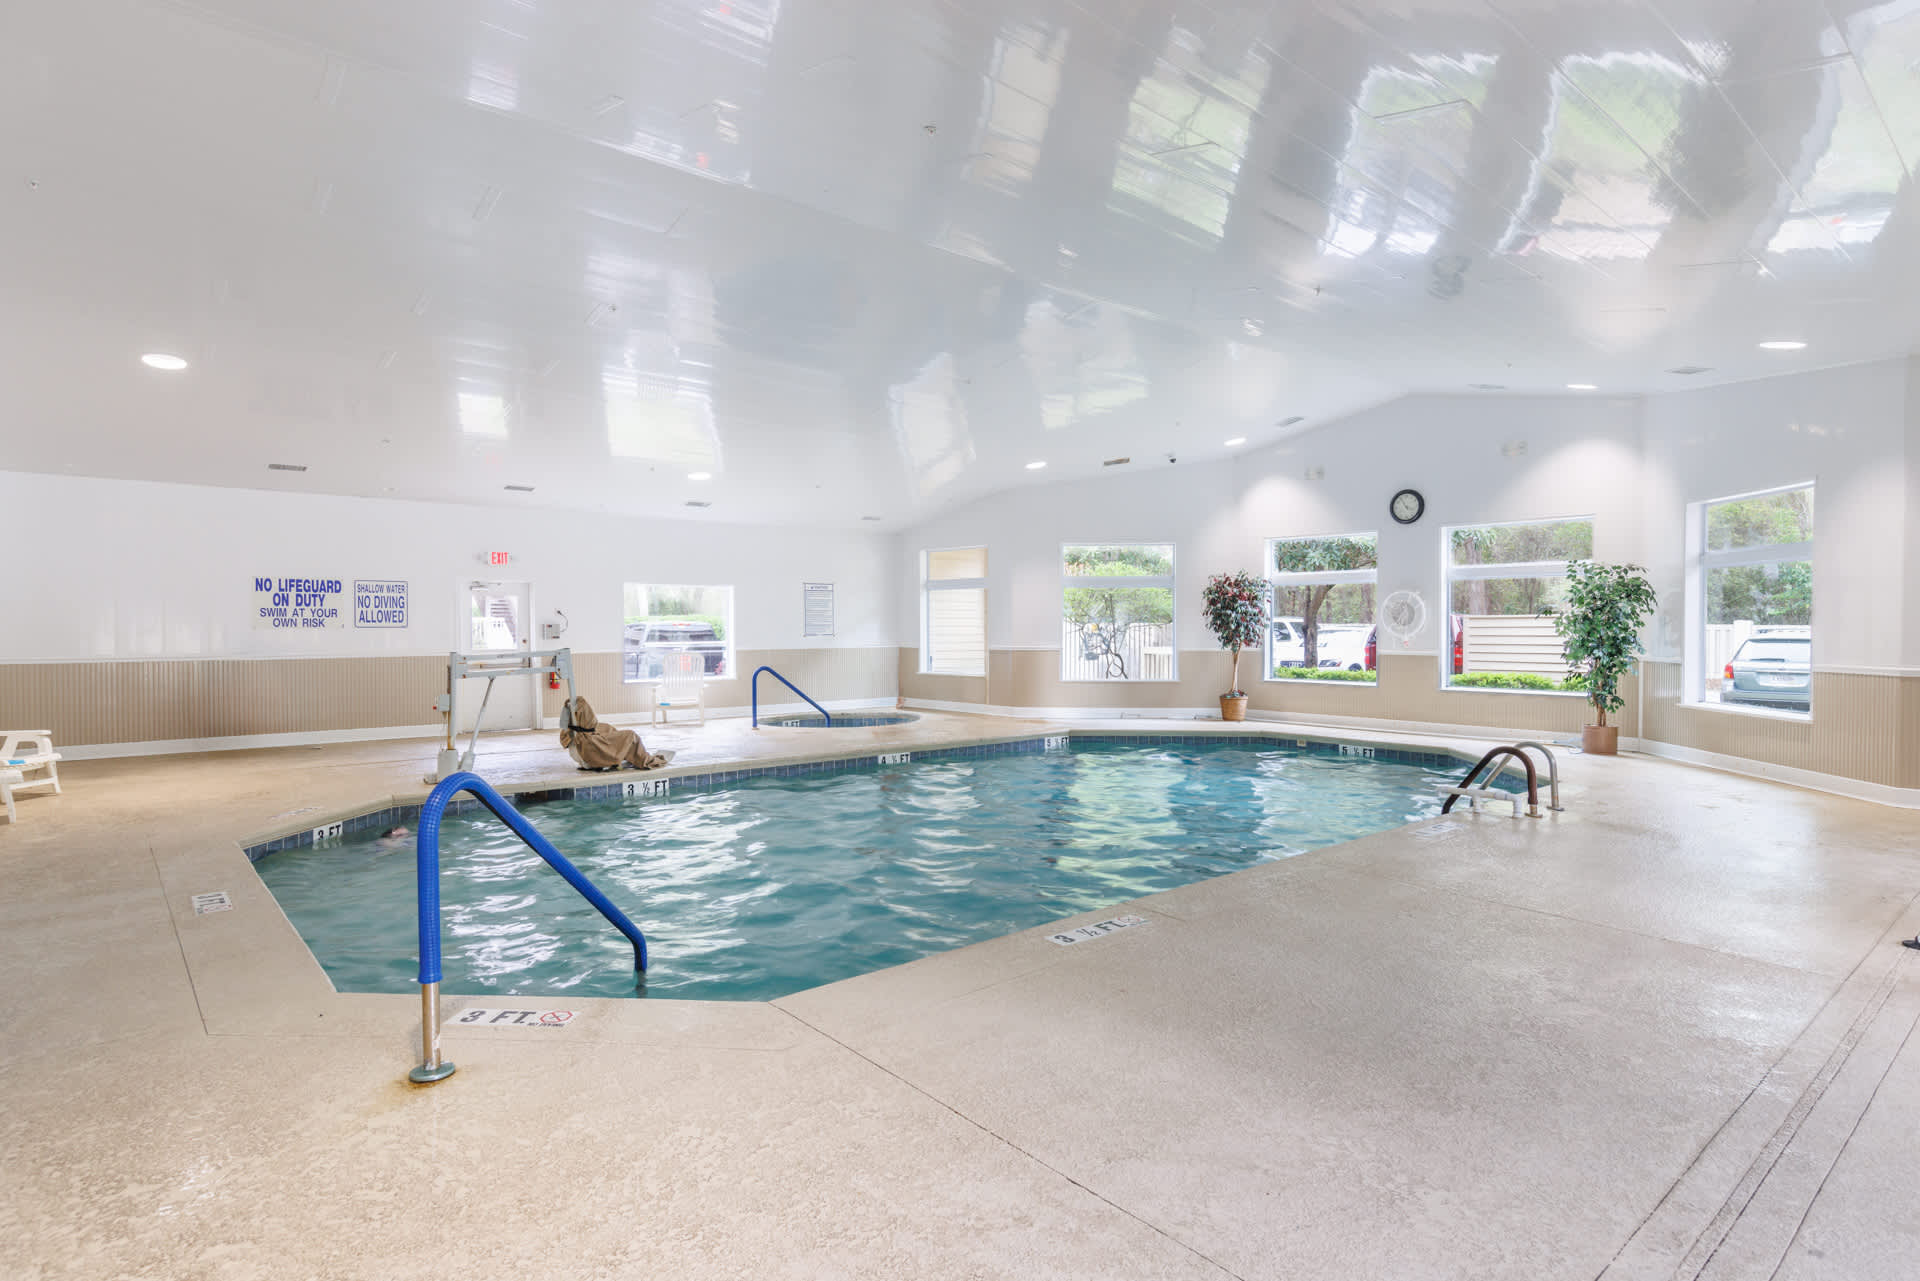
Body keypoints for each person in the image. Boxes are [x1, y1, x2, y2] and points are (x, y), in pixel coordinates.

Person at [559, 695, 673, 771]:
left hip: (580, 753)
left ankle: (623, 755)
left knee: (606, 728)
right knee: (631, 736)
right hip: (589, 759)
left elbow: (589, 725)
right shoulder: (586, 739)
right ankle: (640, 757)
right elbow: (590, 723)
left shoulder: (570, 732)